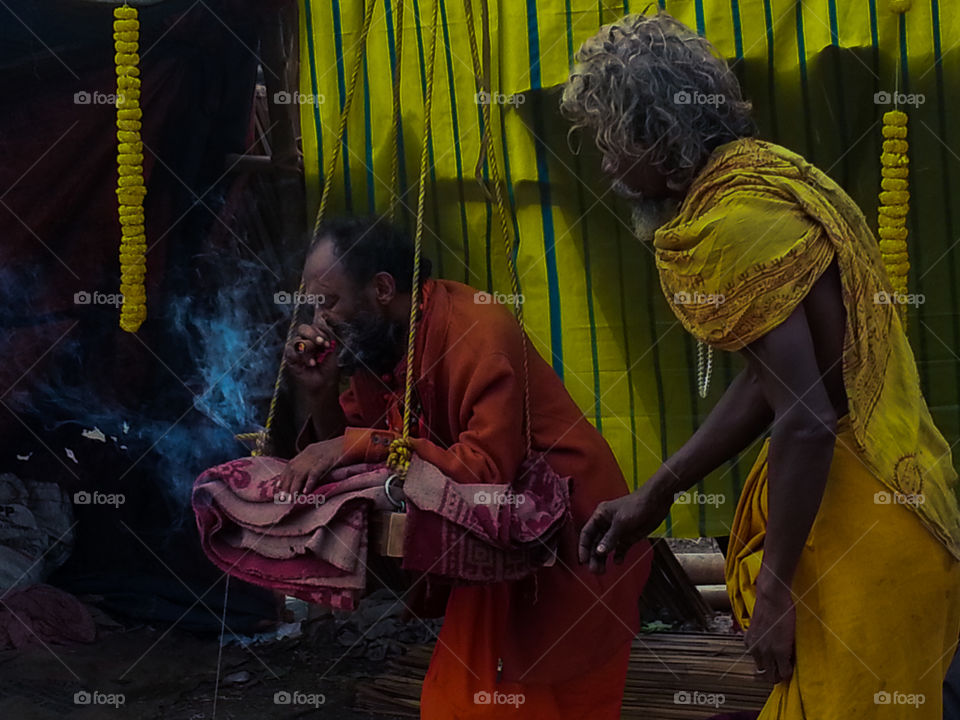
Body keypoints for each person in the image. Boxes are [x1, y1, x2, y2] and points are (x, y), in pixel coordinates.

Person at [561, 11, 960, 720]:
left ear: (654, 136)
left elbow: (803, 420)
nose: (605, 166)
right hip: (894, 517)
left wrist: (774, 593)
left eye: (608, 141)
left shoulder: (733, 223)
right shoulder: (768, 175)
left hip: (864, 546)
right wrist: (656, 494)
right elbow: (769, 384)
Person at [273, 216, 651, 719]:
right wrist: (320, 396)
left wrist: (351, 444)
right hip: (499, 547)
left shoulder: (477, 326)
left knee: (553, 695)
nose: (320, 322)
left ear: (382, 288)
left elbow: (485, 470)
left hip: (567, 533)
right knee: (467, 700)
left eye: (330, 302)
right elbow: (353, 443)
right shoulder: (380, 343)